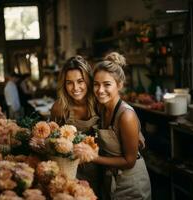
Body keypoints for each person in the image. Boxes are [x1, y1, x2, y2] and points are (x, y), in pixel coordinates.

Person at [92, 52, 151, 200]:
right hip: (111, 180)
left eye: (107, 84)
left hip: (131, 183)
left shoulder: (126, 116)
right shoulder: (102, 109)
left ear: (119, 85)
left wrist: (92, 157)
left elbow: (129, 161)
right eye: (96, 84)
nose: (100, 90)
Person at [50, 55, 101, 196]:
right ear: (64, 84)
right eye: (69, 83)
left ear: (88, 81)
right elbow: (51, 144)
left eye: (80, 81)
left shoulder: (99, 103)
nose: (75, 88)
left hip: (101, 168)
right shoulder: (59, 108)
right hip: (72, 172)